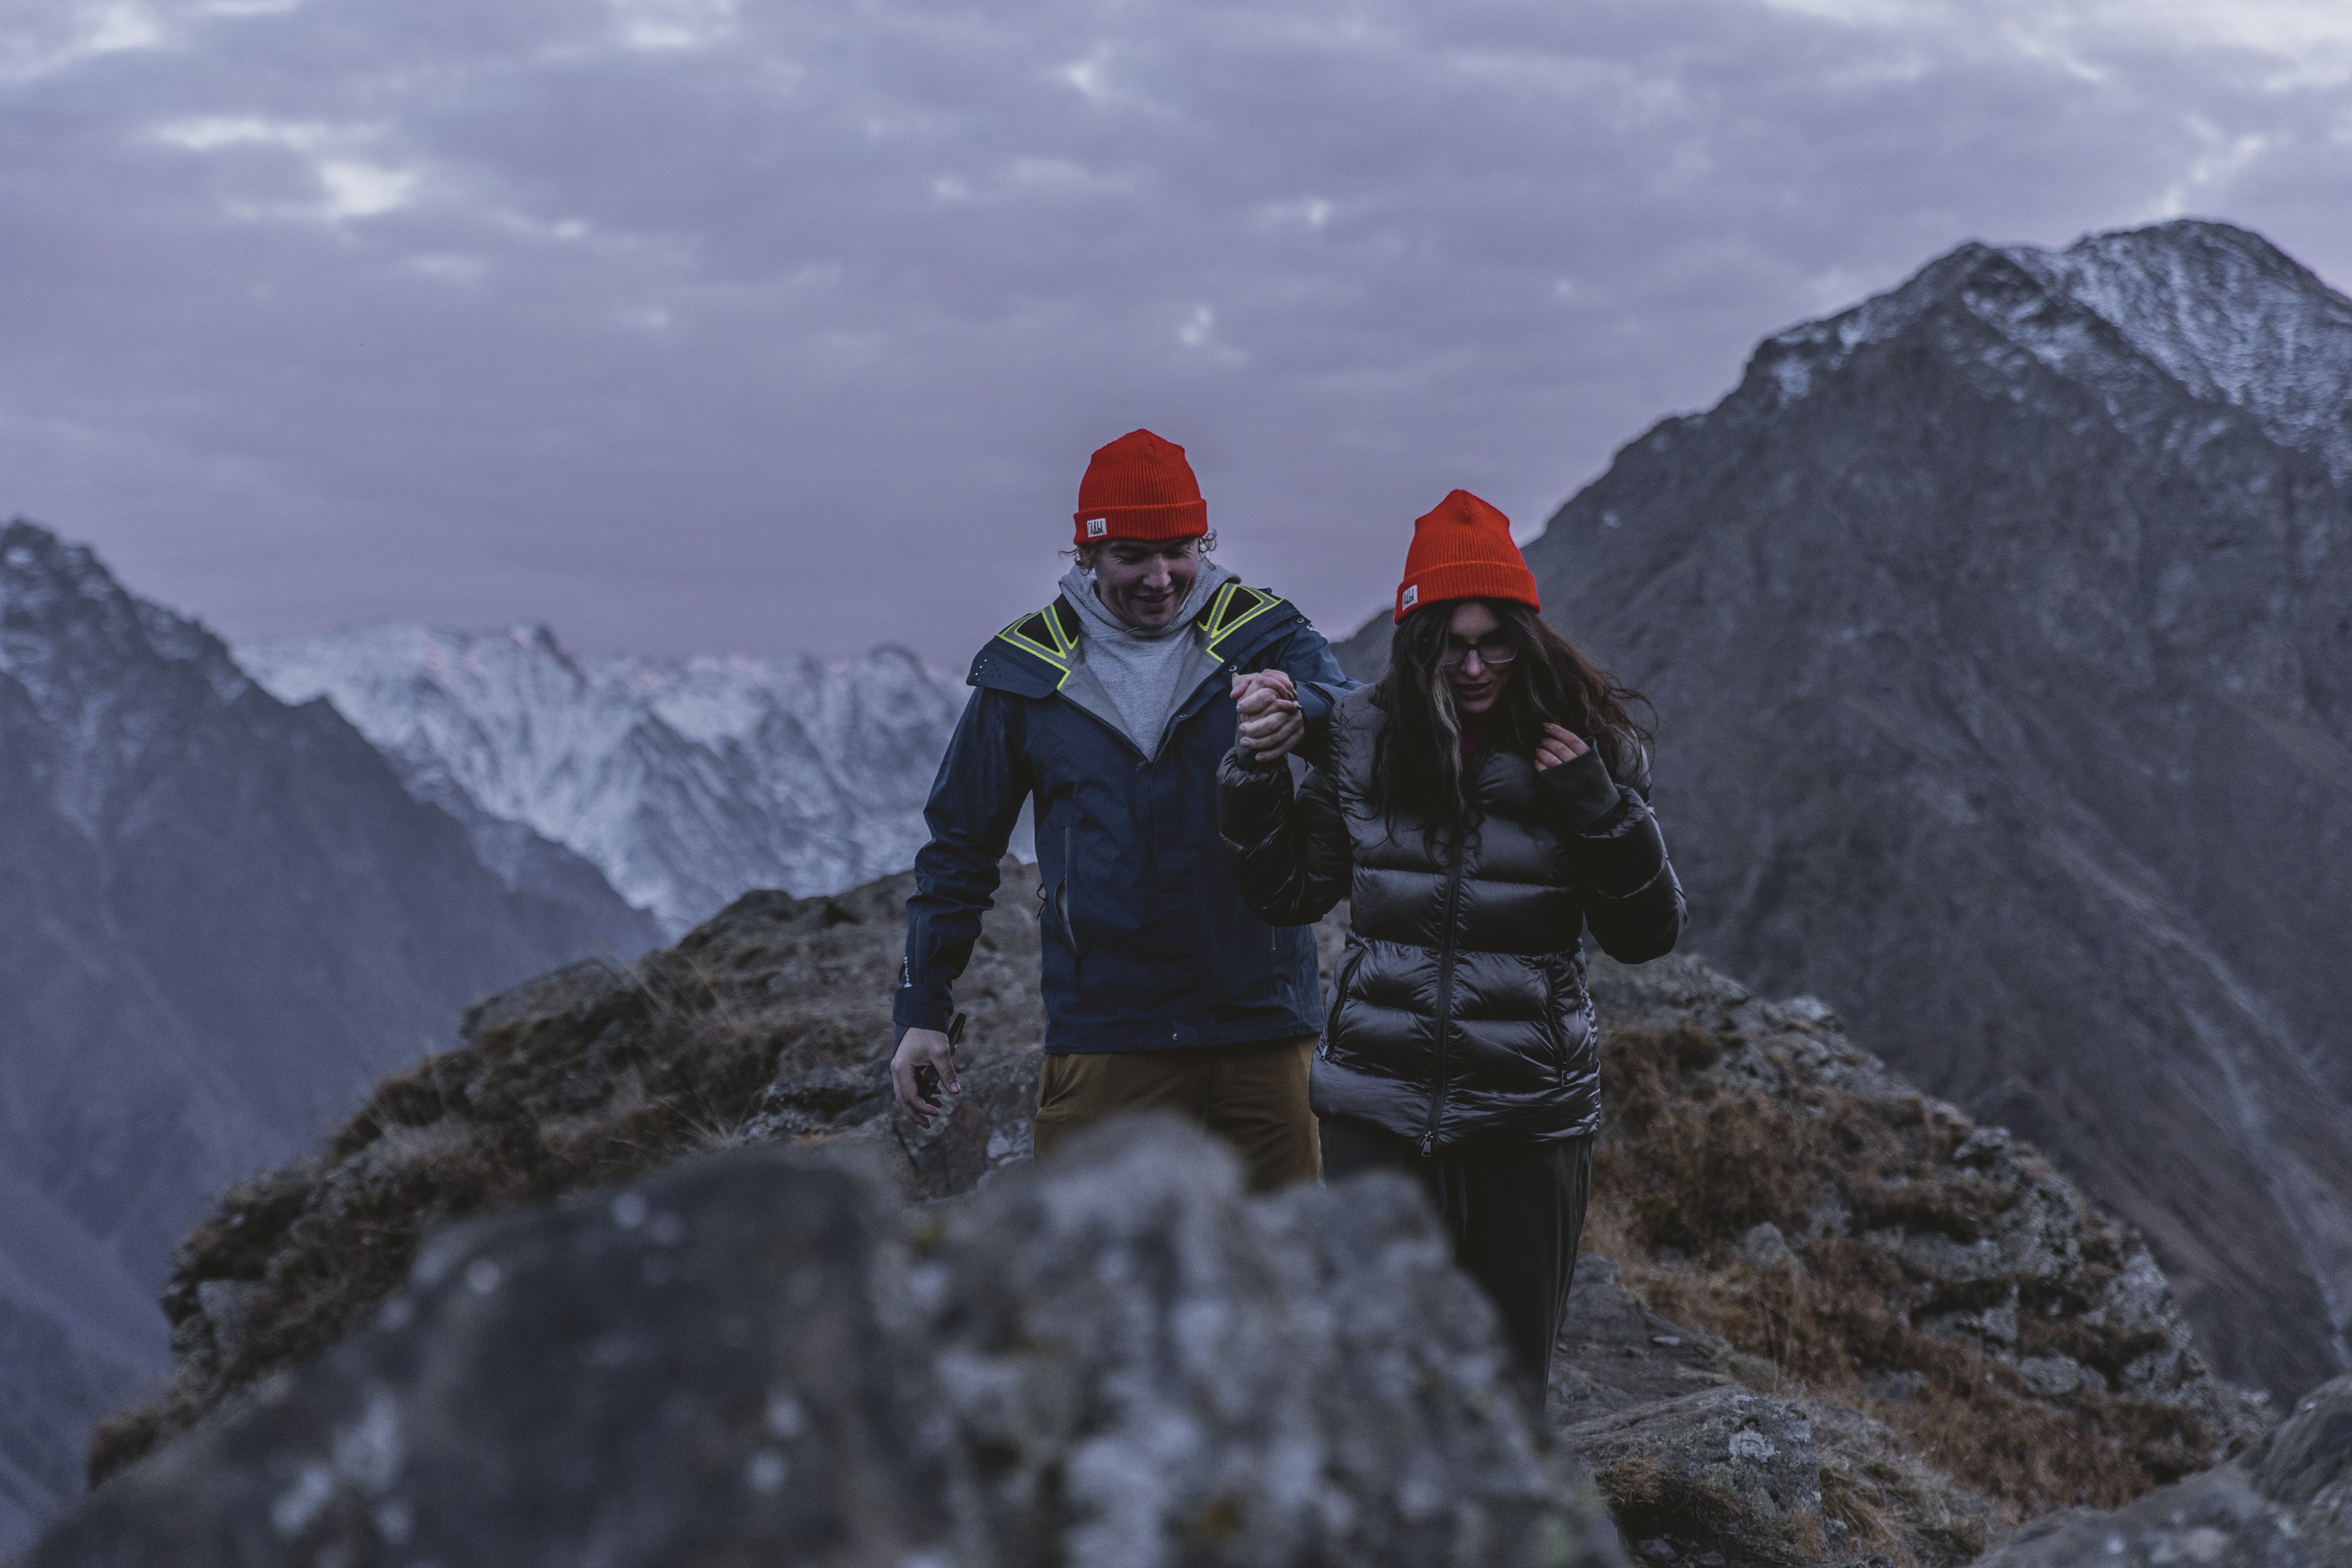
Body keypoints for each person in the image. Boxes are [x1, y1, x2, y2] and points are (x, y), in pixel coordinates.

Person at [1216, 487, 1685, 1393]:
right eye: (1449, 642)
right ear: (1414, 638)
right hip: (1374, 1111)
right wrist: (1253, 771)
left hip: (1527, 1118)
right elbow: (1286, 894)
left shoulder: (1586, 749)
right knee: (1380, 1388)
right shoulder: (1358, 737)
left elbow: (1646, 935)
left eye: (1493, 641)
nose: (1473, 667)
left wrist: (1597, 808)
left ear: (1526, 634)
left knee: (1507, 1392)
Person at [889, 429, 1352, 1190]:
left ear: (1203, 541)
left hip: (1265, 1030)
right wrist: (921, 1008)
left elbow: (1360, 723)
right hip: (1106, 1038)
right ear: (1087, 555)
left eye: (1178, 549)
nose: (1159, 576)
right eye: (1131, 554)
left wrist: (1307, 708)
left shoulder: (1266, 635)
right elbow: (959, 849)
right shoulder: (1023, 670)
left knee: (1284, 1289)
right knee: (1092, 1293)